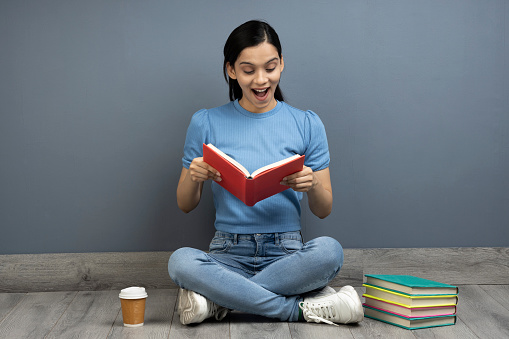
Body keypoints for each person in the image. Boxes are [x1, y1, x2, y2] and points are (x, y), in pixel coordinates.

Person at [168, 20, 363, 326]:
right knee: (179, 261)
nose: (261, 79)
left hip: (287, 254)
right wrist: (193, 177)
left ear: (282, 64)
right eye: (248, 70)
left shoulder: (307, 123)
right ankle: (296, 309)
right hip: (227, 253)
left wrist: (311, 185)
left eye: (270, 67)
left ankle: (220, 301)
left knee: (330, 252)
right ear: (231, 70)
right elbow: (185, 204)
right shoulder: (206, 122)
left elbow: (324, 209)